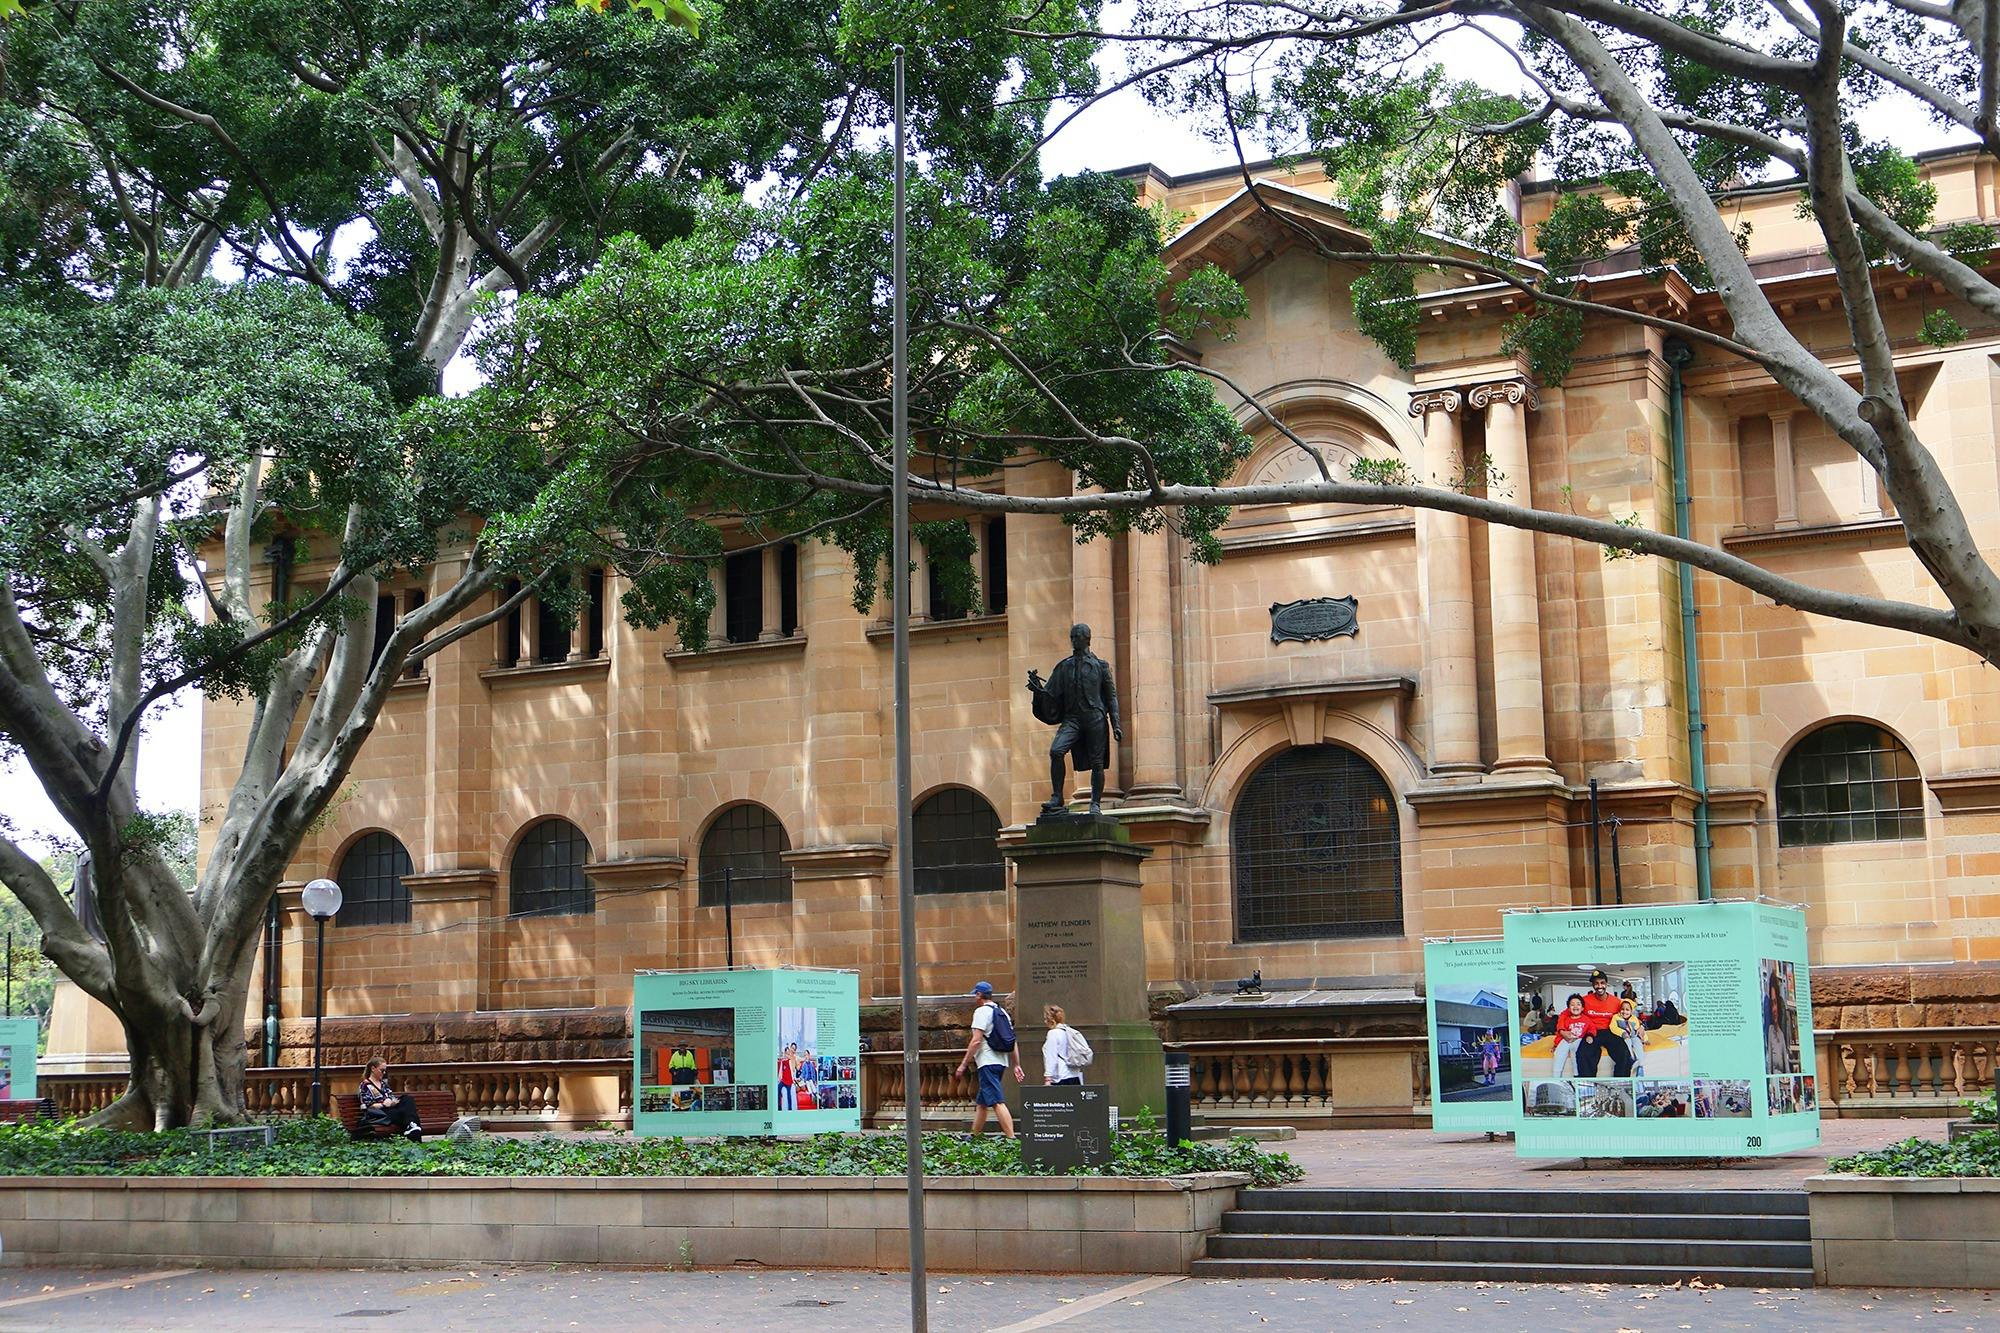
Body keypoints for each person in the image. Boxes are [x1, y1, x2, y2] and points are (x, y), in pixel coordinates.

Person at [956, 981, 1026, 1136]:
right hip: (1001, 1061)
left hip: (987, 1061)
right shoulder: (1002, 1012)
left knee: (997, 1102)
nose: (974, 997)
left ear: (979, 995)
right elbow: (1012, 1040)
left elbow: (976, 1041)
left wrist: (963, 1064)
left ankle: (1011, 1138)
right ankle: (974, 1136)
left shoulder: (981, 1012)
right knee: (982, 1102)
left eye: (975, 994)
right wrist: (1016, 1064)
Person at [1575, 969, 1634, 1077]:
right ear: (1593, 985)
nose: (1599, 986)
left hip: (1611, 1031)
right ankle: (1589, 1083)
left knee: (1624, 1054)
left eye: (1602, 983)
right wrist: (1562, 1031)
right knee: (1583, 1054)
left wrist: (1640, 1026)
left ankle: (1621, 1082)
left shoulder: (1616, 1001)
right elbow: (1567, 1013)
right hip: (1592, 1032)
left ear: (1606, 984)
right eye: (1596, 983)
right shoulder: (1584, 1000)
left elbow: (1628, 1015)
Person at [358, 1057, 423, 1140]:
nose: (384, 1073)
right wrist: (383, 1104)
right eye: (382, 1070)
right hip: (380, 1114)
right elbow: (367, 1106)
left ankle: (412, 1127)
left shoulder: (383, 1084)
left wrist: (391, 1101)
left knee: (407, 1098)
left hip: (392, 1109)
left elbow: (391, 1096)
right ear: (373, 1069)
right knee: (408, 1115)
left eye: (385, 1071)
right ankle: (413, 1130)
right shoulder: (365, 1085)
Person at [1043, 1004, 1083, 1085]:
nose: (1044, 1021)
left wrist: (1048, 1078)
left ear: (1050, 1020)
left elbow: (1051, 1057)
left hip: (1060, 1076)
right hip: (1074, 1075)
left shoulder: (1052, 1034)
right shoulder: (1068, 1031)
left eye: (1045, 1019)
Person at [1551, 994, 1588, 1078]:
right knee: (1558, 1054)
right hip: (1567, 1039)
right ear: (1568, 1008)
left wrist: (1590, 1036)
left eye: (1578, 1004)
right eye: (1572, 1004)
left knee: (1575, 1053)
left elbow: (1591, 1029)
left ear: (1582, 1008)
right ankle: (1556, 1076)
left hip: (1579, 1040)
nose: (1575, 1006)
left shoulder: (1586, 1019)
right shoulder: (1566, 1019)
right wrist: (1556, 1044)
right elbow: (1560, 1034)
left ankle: (1576, 1075)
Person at [1616, 1000, 1648, 1079]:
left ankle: (1640, 1064)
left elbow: (1639, 1029)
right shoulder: (1616, 1017)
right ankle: (1631, 1058)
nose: (1624, 1012)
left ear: (1631, 1011)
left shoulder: (1634, 1019)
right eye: (1622, 1009)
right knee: (1628, 1042)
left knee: (1638, 1044)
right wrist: (1622, 1033)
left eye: (1627, 1010)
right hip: (1624, 1037)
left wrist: (1645, 1039)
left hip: (1633, 1036)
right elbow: (1613, 1027)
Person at [777, 1043, 797, 1110]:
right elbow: (780, 1072)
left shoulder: (791, 1061)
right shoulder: (783, 1061)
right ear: (784, 1054)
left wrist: (793, 1080)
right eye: (786, 1053)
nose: (787, 1055)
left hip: (789, 1081)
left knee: (789, 1094)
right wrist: (779, 1079)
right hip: (783, 1080)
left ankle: (790, 1108)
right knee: (778, 1088)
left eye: (788, 1054)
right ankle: (779, 1106)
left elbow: (793, 1071)